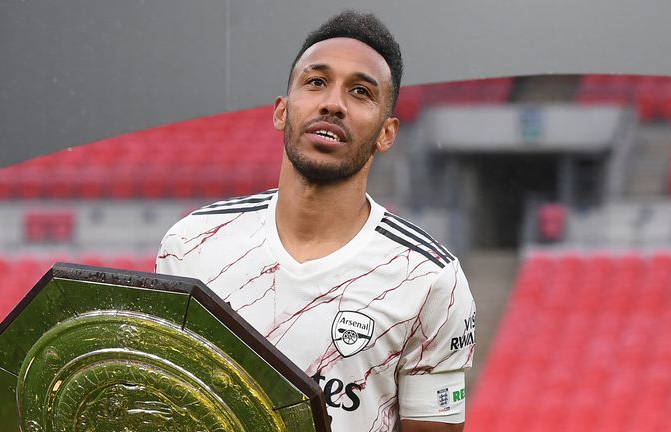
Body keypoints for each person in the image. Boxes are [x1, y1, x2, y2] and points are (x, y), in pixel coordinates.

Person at [156, 10, 475, 432]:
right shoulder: (192, 245)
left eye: (360, 92)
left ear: (387, 133)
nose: (333, 103)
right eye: (316, 82)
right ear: (281, 112)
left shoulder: (430, 280)